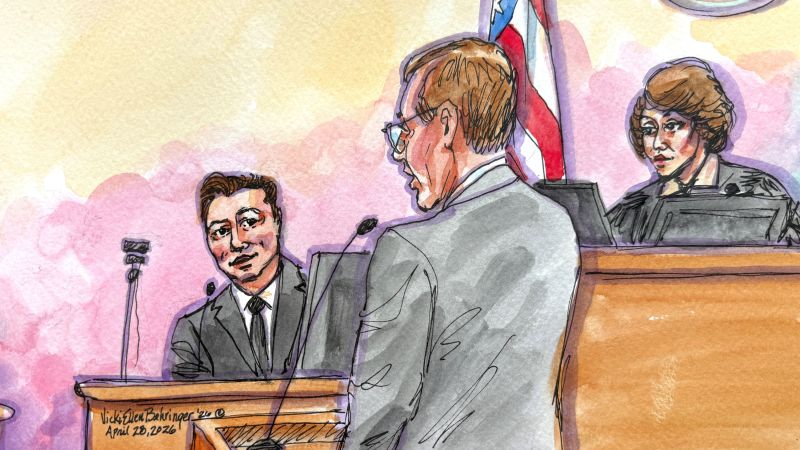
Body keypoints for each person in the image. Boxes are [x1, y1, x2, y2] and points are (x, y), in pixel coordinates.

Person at [347, 37, 580, 449]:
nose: (399, 153)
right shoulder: (557, 225)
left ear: (446, 125)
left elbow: (376, 421)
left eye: (406, 130)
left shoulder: (409, 248)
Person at [608, 57, 800, 245]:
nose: (657, 143)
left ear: (704, 126)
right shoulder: (633, 211)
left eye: (672, 126)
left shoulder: (759, 191)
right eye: (649, 130)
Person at [168, 172, 307, 380]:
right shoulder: (193, 331)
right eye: (221, 232)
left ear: (277, 221)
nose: (237, 242)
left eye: (249, 222)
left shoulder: (322, 297)